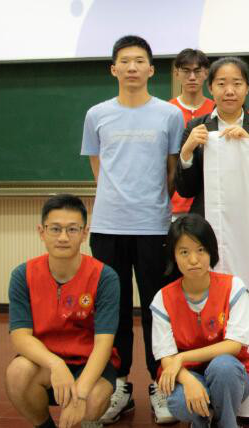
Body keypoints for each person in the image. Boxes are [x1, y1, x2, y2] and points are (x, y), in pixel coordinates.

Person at [80, 35, 184, 423]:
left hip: (154, 226)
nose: (132, 67)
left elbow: (172, 171)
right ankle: (119, 385)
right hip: (108, 227)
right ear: (114, 69)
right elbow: (98, 168)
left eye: (140, 61)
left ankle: (160, 384)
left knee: (158, 309)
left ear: (151, 69)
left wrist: (151, 202)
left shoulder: (169, 115)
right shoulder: (97, 114)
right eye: (125, 61)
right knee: (115, 309)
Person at [6, 194, 121, 428]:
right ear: (41, 232)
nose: (63, 237)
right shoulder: (22, 275)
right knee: (17, 373)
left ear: (84, 233)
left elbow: (104, 343)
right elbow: (20, 337)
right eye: (55, 229)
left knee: (92, 401)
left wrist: (80, 394)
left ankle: (89, 420)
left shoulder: (105, 277)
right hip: (45, 363)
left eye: (72, 229)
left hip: (89, 363)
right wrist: (55, 364)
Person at [151, 215, 249, 428]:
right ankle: (200, 423)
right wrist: (188, 380)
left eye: (200, 250)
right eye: (184, 252)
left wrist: (182, 357)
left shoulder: (233, 287)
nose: (193, 260)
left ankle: (227, 424)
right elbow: (166, 358)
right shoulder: (163, 298)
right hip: (187, 374)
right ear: (173, 256)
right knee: (178, 401)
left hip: (230, 375)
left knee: (224, 366)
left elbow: (234, 346)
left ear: (211, 251)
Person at [176, 57, 249, 217]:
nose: (230, 91)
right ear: (210, 88)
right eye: (221, 84)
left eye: (237, 84)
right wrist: (186, 153)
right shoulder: (195, 127)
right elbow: (186, 190)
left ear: (247, 88)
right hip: (208, 218)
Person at [169, 49, 215, 218]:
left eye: (197, 71)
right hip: (174, 205)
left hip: (210, 203)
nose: (192, 77)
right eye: (186, 71)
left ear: (206, 73)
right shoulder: (166, 111)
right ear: (176, 73)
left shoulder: (218, 110)